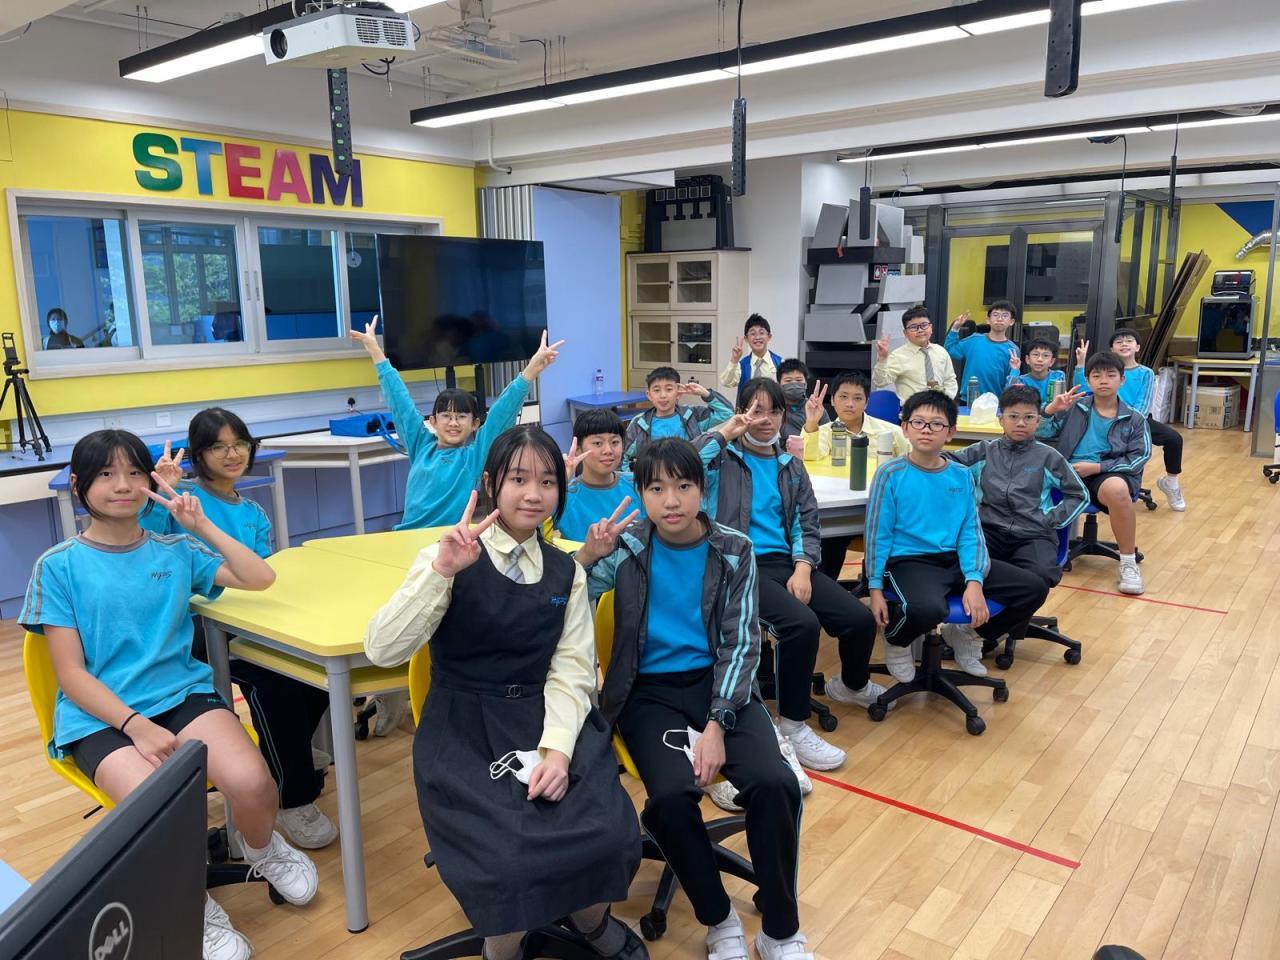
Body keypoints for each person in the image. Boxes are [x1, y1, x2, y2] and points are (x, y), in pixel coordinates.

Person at [20, 430, 318, 960]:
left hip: (180, 695)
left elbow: (261, 577)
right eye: (106, 474)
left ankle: (262, 849)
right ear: (78, 484)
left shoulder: (177, 549)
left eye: (135, 473)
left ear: (151, 481)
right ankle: (192, 906)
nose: (123, 485)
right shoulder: (58, 565)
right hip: (101, 716)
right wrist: (135, 726)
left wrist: (200, 524)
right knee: (164, 811)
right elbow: (71, 675)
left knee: (253, 783)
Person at [363, 427, 646, 960]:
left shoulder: (566, 570)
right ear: (492, 483)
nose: (533, 494)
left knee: (610, 833)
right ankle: (503, 949)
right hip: (464, 728)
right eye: (518, 479)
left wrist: (556, 751)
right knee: (509, 861)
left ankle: (591, 922)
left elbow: (572, 671)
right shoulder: (447, 553)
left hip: (544, 714)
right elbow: (382, 649)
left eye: (547, 482)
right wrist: (441, 573)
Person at [579, 437, 818, 960]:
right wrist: (587, 555)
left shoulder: (734, 549)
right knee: (669, 799)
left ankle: (780, 928)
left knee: (776, 784)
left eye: (683, 486)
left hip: (721, 686)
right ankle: (717, 916)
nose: (671, 501)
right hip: (647, 693)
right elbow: (567, 597)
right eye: (656, 489)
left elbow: (741, 643)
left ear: (702, 489)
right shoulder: (627, 546)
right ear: (641, 493)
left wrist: (717, 723)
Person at [142, 408, 338, 850]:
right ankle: (293, 797)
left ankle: (287, 753)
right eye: (218, 446)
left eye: (239, 444)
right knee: (274, 683)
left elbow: (263, 573)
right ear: (199, 454)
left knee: (316, 671)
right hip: (195, 627)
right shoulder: (182, 497)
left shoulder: (252, 512)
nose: (232, 454)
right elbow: (144, 539)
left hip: (249, 620)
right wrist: (161, 491)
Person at [701, 378, 883, 769]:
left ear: (785, 416)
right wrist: (725, 431)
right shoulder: (722, 460)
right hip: (738, 566)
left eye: (774, 411)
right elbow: (683, 464)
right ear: (741, 413)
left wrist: (802, 567)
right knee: (801, 624)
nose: (766, 420)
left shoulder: (791, 466)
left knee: (859, 619)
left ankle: (850, 685)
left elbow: (807, 523)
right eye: (756, 411)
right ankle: (793, 726)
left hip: (787, 562)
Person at [864, 390, 1050, 682]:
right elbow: (877, 534)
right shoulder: (890, 473)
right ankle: (897, 640)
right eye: (918, 422)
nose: (927, 430)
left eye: (936, 424)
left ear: (950, 432)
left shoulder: (961, 475)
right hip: (908, 561)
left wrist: (974, 580)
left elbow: (970, 532)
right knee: (930, 609)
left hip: (953, 560)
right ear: (905, 428)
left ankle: (969, 633)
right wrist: (874, 587)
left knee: (1033, 588)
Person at [349, 315, 562, 530]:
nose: (453, 423)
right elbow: (399, 402)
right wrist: (375, 351)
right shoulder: (420, 446)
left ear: (475, 424)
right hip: (407, 535)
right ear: (433, 421)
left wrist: (530, 372)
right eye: (446, 416)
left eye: (461, 416)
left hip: (450, 539)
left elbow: (500, 414)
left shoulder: (474, 457)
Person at [945, 385, 1089, 673]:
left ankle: (976, 634)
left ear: (1038, 420)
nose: (1020, 423)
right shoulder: (984, 451)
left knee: (1039, 580)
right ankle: (977, 623)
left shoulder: (1048, 457)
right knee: (958, 565)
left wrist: (1050, 519)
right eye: (1013, 416)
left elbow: (1079, 494)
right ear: (1001, 419)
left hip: (1033, 534)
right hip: (989, 530)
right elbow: (947, 463)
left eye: (1028, 417)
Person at [1040, 352, 1151, 596]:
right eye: (1096, 375)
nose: (1103, 380)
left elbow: (1139, 457)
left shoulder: (1134, 418)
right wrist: (1051, 409)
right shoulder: (1073, 407)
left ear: (1122, 380)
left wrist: (1099, 467)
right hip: (1067, 472)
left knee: (1117, 490)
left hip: (1106, 474)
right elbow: (1039, 432)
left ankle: (1128, 563)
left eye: (1110, 375)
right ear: (1088, 380)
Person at [800, 370, 910, 581]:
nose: (850, 404)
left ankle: (881, 584)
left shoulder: (890, 432)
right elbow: (810, 457)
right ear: (833, 400)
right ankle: (827, 588)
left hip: (885, 506)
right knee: (831, 539)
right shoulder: (824, 431)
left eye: (857, 398)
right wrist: (812, 422)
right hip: (842, 507)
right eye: (843, 397)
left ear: (867, 402)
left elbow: (912, 461)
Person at [1072, 328, 1185, 511]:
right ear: (1112, 349)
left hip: (1134, 418)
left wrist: (1126, 420)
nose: (1124, 344)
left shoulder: (1145, 373)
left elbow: (1143, 404)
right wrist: (1081, 364)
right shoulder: (1102, 373)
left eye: (1129, 341)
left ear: (1137, 347)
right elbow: (1083, 391)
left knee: (1174, 439)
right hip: (1103, 415)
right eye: (1119, 342)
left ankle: (1171, 483)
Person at [554, 408, 647, 542]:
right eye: (598, 443)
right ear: (578, 449)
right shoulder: (564, 497)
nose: (608, 450)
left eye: (615, 442)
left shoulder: (638, 484)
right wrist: (559, 483)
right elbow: (533, 530)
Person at [621, 366, 733, 467]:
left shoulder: (692, 416)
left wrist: (705, 393)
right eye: (656, 390)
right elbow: (622, 456)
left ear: (678, 393)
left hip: (689, 477)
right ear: (649, 395)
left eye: (669, 389)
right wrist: (634, 480)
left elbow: (726, 412)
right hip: (652, 480)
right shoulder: (640, 423)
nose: (663, 395)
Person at [872, 305, 958, 402]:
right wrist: (882, 359)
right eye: (913, 327)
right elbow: (880, 382)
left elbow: (950, 380)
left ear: (931, 327)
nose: (920, 330)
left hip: (940, 407)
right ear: (905, 333)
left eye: (924, 325)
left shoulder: (941, 351)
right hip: (912, 409)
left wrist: (944, 401)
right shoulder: (898, 355)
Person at [945, 300, 1022, 400]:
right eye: (995, 315)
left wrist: (1015, 371)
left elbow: (1011, 380)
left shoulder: (1012, 349)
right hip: (968, 399)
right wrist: (955, 328)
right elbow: (950, 349)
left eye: (1005, 315)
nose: (999, 319)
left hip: (995, 401)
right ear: (988, 320)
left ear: (1011, 322)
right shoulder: (974, 340)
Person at [719, 314, 782, 391]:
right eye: (753, 334)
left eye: (761, 333)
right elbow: (726, 382)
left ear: (769, 336)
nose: (757, 337)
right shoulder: (741, 365)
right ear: (746, 338)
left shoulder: (780, 363)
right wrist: (734, 360)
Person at [1007, 337, 1066, 410]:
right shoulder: (1021, 380)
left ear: (1051, 362)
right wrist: (1015, 370)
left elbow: (1058, 404)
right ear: (1027, 359)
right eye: (1035, 354)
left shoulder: (1057, 376)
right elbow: (1009, 399)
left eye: (1045, 355)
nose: (1039, 359)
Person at [777, 358, 828, 438]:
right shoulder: (774, 408)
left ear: (806, 384)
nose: (794, 384)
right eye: (788, 381)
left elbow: (827, 436)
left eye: (799, 380)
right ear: (779, 384)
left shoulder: (815, 408)